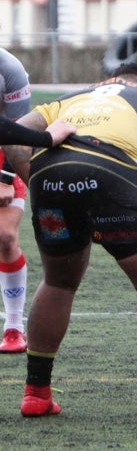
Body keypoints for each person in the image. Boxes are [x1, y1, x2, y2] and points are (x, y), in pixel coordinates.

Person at [5, 63, 137, 425]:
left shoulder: (67, 101)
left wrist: (40, 182)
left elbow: (14, 137)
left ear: (103, 82)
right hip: (109, 170)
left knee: (57, 282)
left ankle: (36, 394)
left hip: (49, 178)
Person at [0, 50, 40, 353]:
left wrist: (4, 180)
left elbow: (17, 132)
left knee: (5, 237)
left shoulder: (9, 69)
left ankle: (13, 326)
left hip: (4, 148)